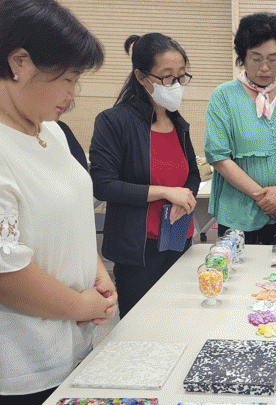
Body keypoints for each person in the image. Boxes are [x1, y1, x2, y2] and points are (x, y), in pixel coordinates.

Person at [0, 0, 115, 405]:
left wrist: (97, 274)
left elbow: (70, 212)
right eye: (67, 78)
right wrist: (79, 304)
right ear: (20, 62)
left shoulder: (47, 128)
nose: (72, 94)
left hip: (68, 338)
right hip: (17, 364)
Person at [89, 33, 201, 318]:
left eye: (181, 76)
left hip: (178, 238)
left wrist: (185, 195)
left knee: (179, 320)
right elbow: (103, 185)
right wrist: (165, 192)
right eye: (167, 77)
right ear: (141, 77)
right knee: (140, 326)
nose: (175, 84)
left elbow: (192, 174)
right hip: (138, 249)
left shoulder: (178, 124)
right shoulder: (114, 122)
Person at [205, 12, 276, 245]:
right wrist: (264, 198)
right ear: (243, 57)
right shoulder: (224, 96)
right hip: (238, 210)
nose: (265, 67)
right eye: (256, 58)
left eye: (273, 59)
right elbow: (218, 157)